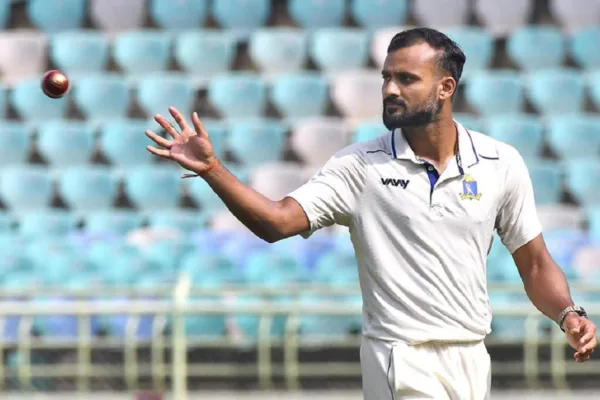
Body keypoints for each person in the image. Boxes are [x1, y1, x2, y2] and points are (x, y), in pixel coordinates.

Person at [145, 28, 597, 399]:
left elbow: (534, 262)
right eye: (386, 78)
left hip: (472, 355)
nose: (390, 90)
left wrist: (567, 314)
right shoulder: (358, 167)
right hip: (401, 356)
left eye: (406, 79)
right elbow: (277, 222)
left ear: (446, 87)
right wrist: (213, 170)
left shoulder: (501, 162)